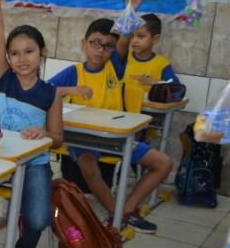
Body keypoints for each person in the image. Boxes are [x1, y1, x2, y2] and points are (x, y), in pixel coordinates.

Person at [49, 18, 174, 233]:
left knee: (164, 163)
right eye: (95, 43)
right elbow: (43, 90)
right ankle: (117, 214)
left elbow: (124, 41)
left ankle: (125, 210)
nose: (100, 50)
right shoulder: (74, 72)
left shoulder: (115, 67)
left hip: (115, 137)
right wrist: (70, 90)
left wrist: (130, 11)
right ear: (84, 43)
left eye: (108, 46)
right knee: (88, 166)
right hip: (84, 139)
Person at [0, 0, 63, 248]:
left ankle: (24, 232)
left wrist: (44, 133)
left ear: (42, 53)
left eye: (29, 51)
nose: (22, 59)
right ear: (8, 57)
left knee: (38, 220)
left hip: (33, 164)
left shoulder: (51, 93)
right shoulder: (3, 78)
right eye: (15, 53)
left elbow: (58, 138)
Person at [114, 10, 182, 109]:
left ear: (155, 38)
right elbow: (121, 44)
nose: (134, 40)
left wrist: (156, 83)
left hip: (150, 114)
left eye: (140, 36)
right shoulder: (124, 58)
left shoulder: (162, 63)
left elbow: (176, 89)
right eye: (132, 36)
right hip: (124, 111)